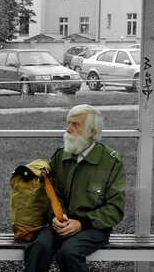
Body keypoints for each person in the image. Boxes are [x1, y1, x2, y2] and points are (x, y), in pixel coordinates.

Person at [24, 104, 126, 272]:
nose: (67, 129)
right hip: (61, 224)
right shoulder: (61, 156)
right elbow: (53, 194)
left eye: (75, 125)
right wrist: (57, 217)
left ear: (91, 132)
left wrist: (82, 223)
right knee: (39, 247)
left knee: (68, 253)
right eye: (68, 123)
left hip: (92, 228)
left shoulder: (111, 162)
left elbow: (115, 209)